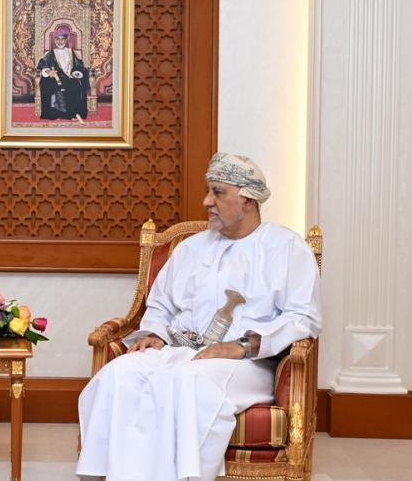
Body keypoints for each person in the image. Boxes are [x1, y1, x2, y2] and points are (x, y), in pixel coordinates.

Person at [76, 152, 322, 481]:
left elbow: (303, 318)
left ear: (248, 200)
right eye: (208, 191)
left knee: (187, 381)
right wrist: (155, 334)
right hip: (180, 351)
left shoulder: (287, 248)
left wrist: (241, 346)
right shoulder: (191, 248)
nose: (207, 201)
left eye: (218, 193)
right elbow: (160, 305)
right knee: (120, 373)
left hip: (246, 364)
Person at [36, 24, 89, 121]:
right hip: (55, 79)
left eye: (62, 39)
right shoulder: (51, 53)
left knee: (75, 85)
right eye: (58, 39)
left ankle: (73, 113)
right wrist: (49, 72)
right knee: (51, 85)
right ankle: (56, 114)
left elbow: (79, 66)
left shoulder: (71, 52)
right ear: (55, 40)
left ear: (66, 40)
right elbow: (43, 65)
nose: (60, 42)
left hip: (69, 78)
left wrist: (76, 73)